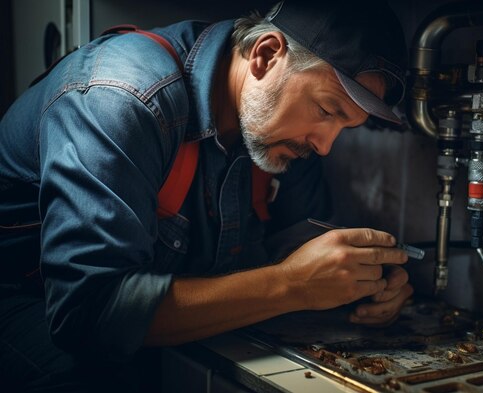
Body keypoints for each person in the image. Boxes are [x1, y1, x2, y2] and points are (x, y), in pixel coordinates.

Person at [0, 0, 412, 391]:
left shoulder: (283, 132)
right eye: (326, 110)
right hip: (24, 301)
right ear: (266, 56)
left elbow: (300, 252)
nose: (325, 145)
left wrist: (361, 282)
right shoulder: (122, 98)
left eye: (345, 126)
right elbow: (89, 313)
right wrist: (292, 285)